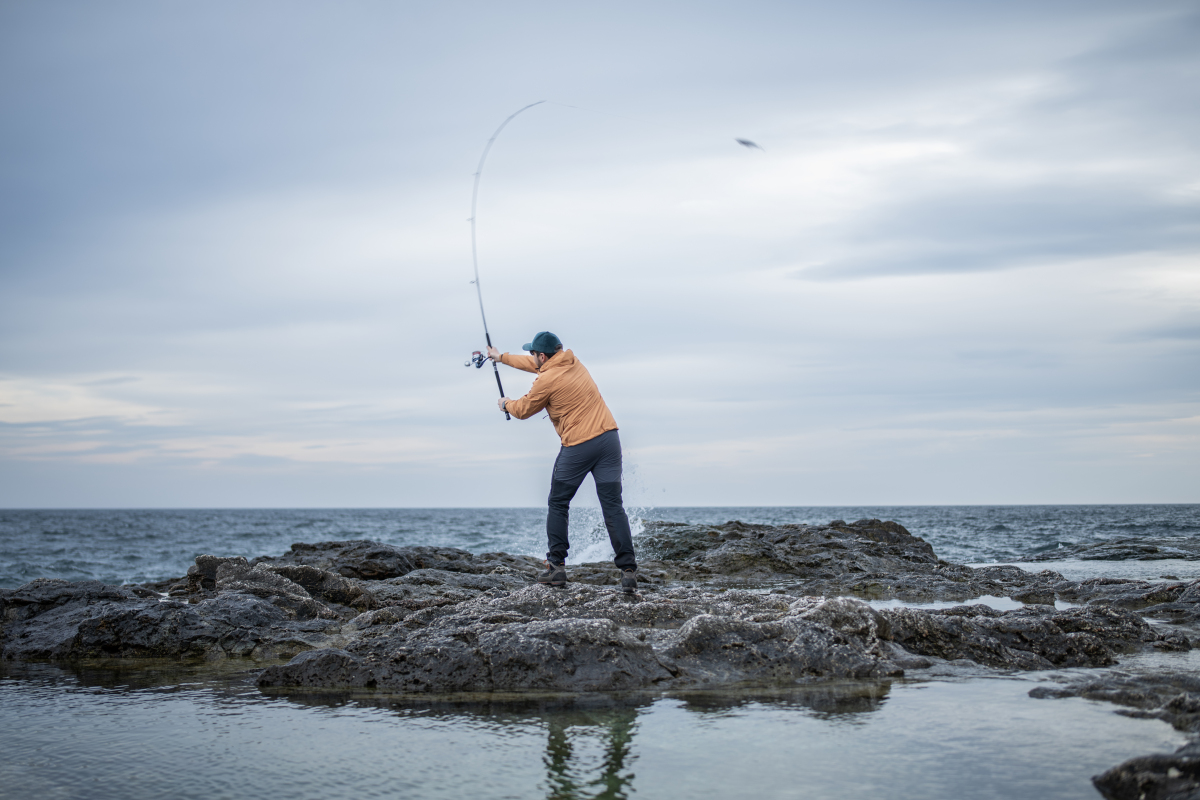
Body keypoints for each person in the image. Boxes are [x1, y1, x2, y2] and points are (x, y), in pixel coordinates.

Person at [487, 331, 638, 592]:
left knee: (558, 503)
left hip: (579, 446)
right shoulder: (572, 361)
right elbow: (535, 365)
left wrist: (505, 404)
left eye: (533, 353)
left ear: (543, 356)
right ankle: (628, 571)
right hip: (609, 440)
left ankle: (556, 567)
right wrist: (501, 358)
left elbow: (523, 409)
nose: (531, 357)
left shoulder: (546, 381)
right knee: (613, 506)